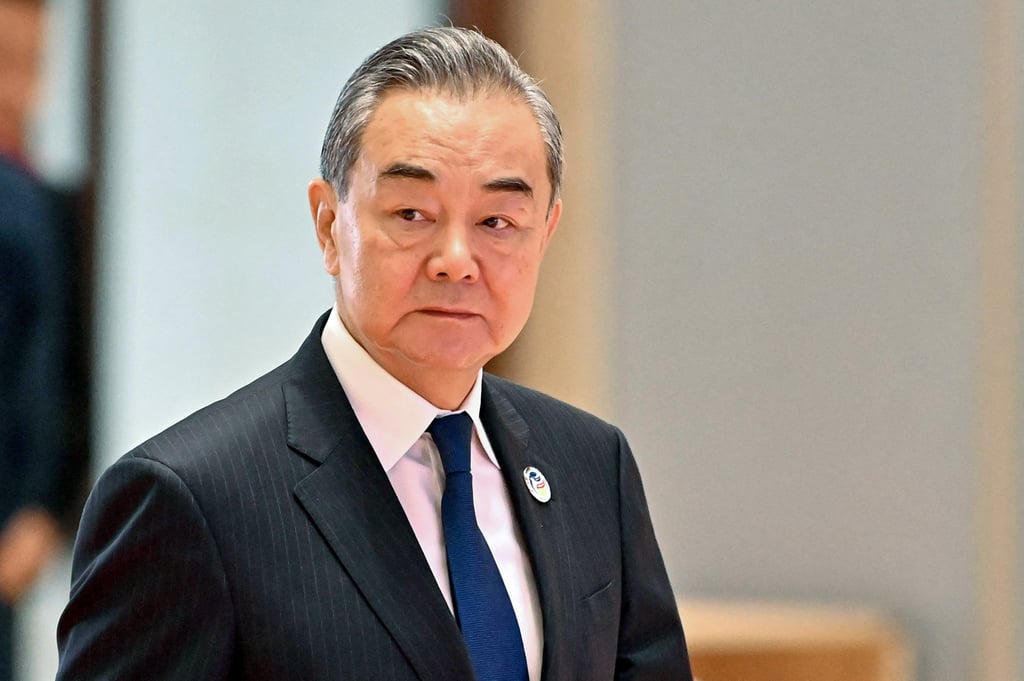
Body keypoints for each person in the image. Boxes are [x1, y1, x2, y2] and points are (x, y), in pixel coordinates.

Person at [55, 26, 692, 680]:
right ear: (330, 224)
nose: (455, 260)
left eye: (497, 221)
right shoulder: (188, 499)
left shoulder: (592, 466)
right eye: (412, 213)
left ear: (545, 233)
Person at [0, 1, 77, 678]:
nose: (13, 88)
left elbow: (53, 368)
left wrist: (43, 505)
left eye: (28, 66)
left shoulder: (41, 203)